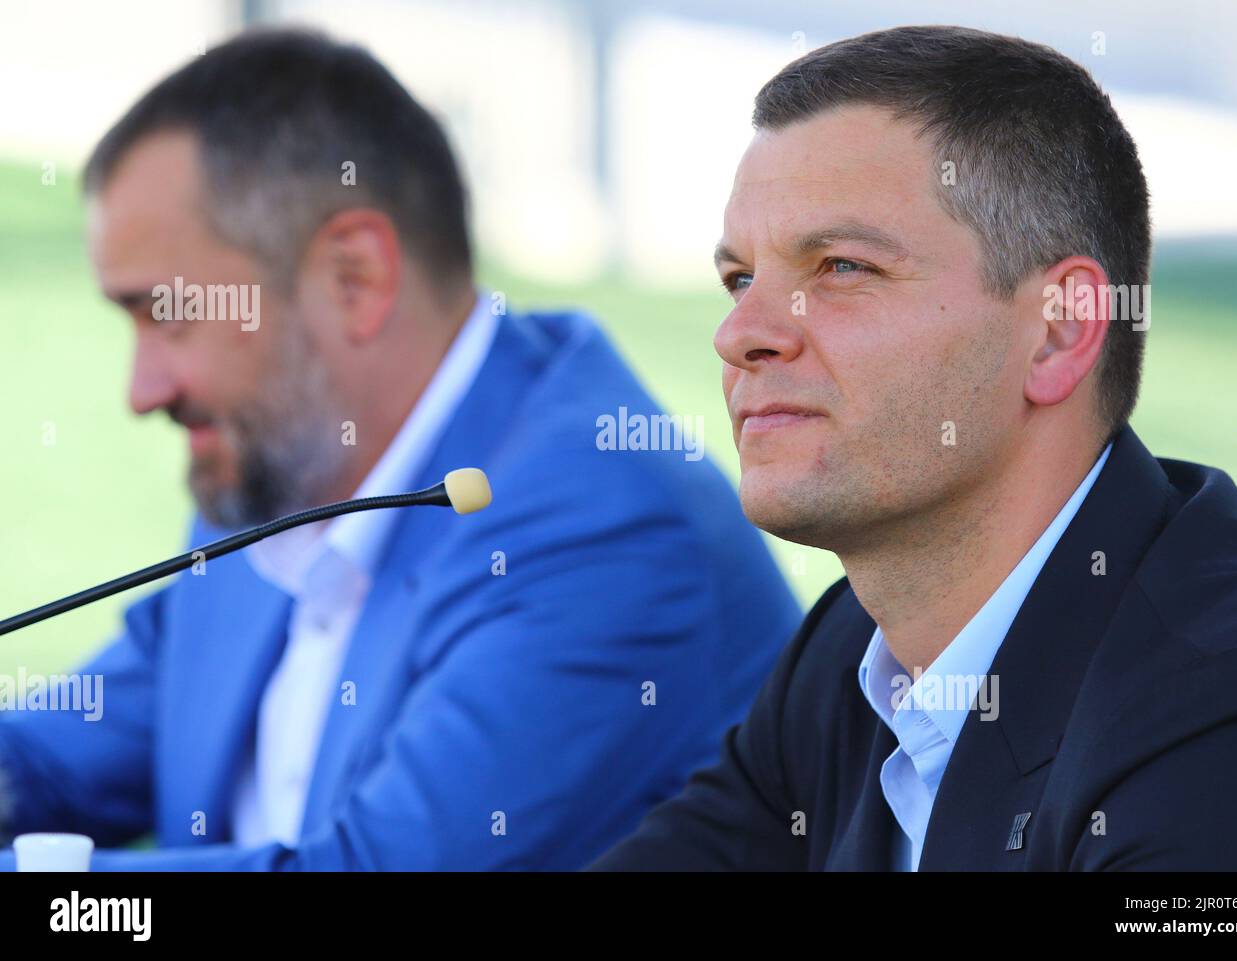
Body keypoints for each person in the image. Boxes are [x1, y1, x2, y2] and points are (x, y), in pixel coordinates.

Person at [0, 28, 801, 871]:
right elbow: (50, 761)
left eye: (168, 314)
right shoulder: (283, 462)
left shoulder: (606, 529)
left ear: (354, 277)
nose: (143, 391)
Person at [591, 25, 1237, 871]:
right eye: (741, 278)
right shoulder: (852, 654)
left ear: (1057, 330)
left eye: (842, 268)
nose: (741, 332)